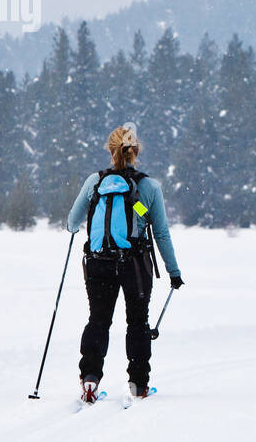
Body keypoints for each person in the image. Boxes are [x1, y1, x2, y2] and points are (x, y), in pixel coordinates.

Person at [66, 126, 182, 403]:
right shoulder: (149, 187)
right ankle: (138, 384)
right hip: (135, 265)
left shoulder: (95, 181)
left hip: (98, 262)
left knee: (98, 320)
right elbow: (161, 232)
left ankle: (90, 379)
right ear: (136, 151)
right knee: (138, 323)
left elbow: (72, 222)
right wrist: (173, 272)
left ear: (110, 149)